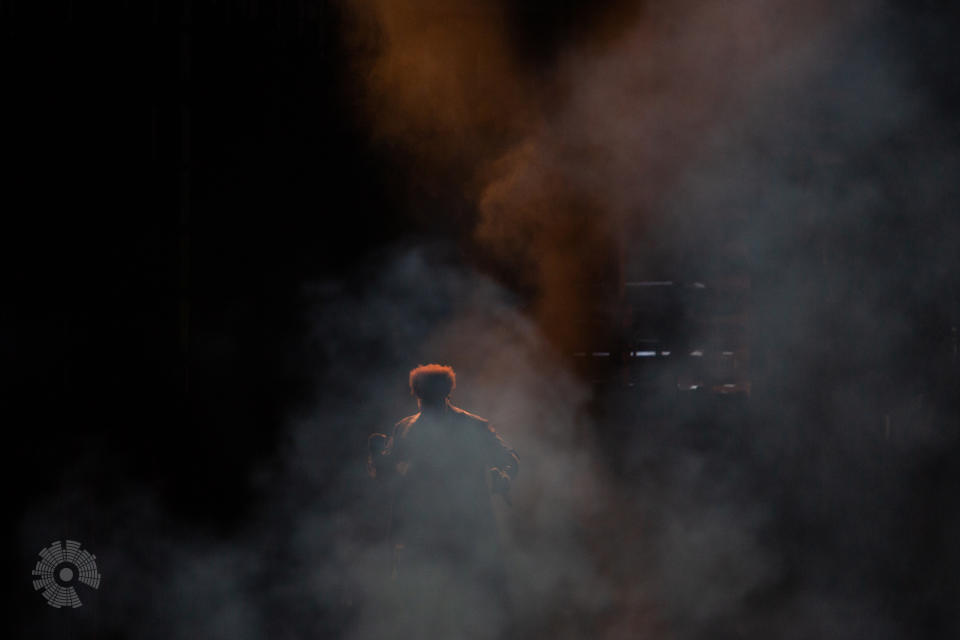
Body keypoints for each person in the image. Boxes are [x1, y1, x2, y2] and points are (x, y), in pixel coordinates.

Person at [367, 364, 518, 638]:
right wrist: (379, 459)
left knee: (469, 603)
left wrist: (503, 476)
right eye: (424, 396)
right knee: (426, 605)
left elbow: (508, 459)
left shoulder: (470, 426)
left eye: (429, 395)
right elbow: (389, 471)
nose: (427, 401)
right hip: (422, 530)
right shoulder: (406, 427)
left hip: (465, 528)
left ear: (444, 392)